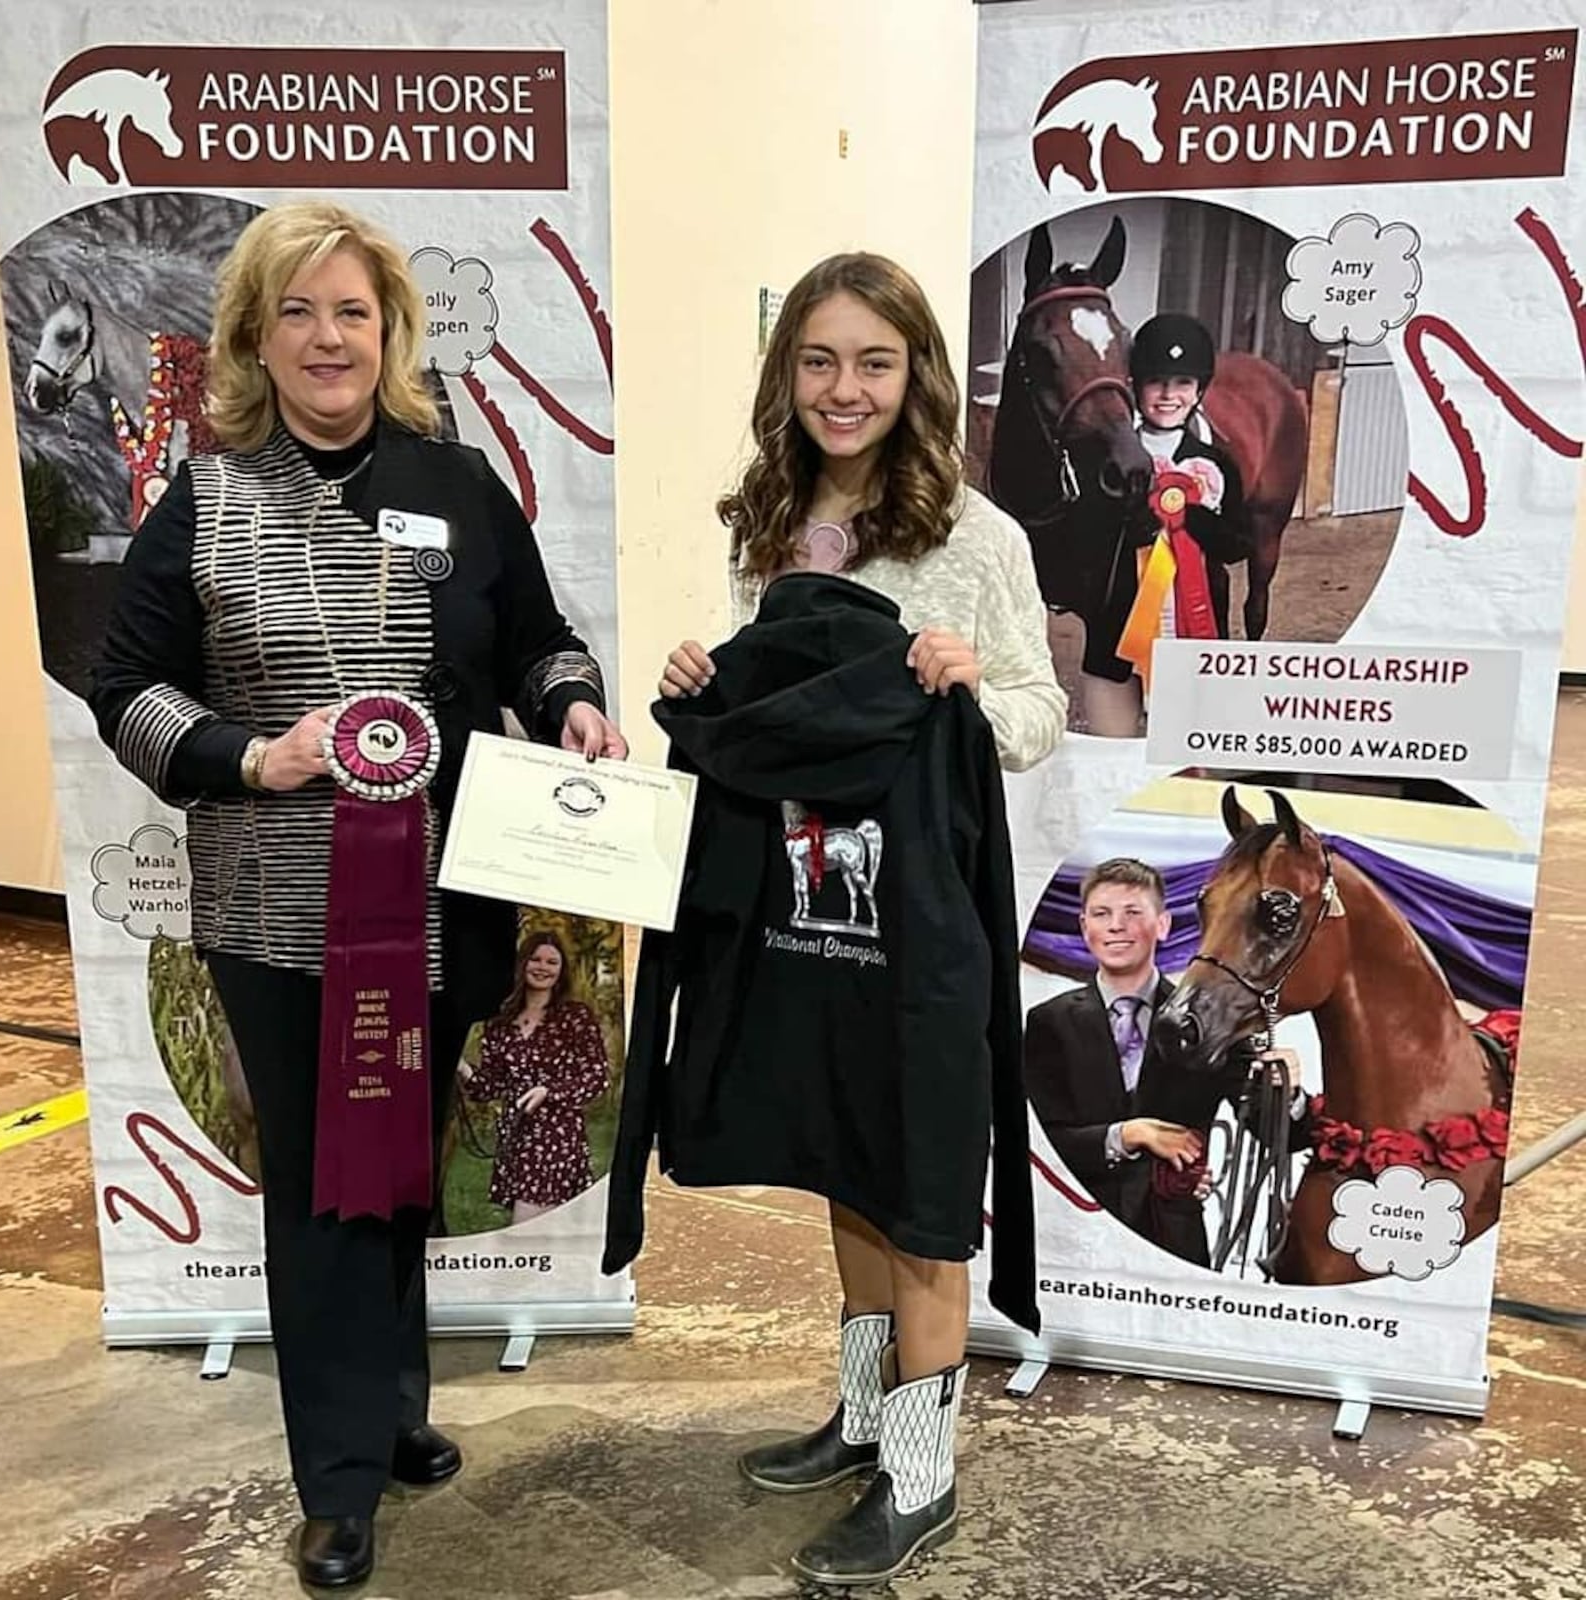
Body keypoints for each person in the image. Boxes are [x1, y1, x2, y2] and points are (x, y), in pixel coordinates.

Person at [87, 200, 626, 1590]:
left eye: (353, 312)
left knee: (394, 1163)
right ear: (256, 339)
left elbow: (543, 640)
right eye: (299, 312)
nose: (328, 338)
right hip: (274, 910)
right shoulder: (203, 504)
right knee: (323, 1187)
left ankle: (391, 1408)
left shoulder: (459, 488)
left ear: (388, 332)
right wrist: (250, 755)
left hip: (450, 898)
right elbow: (125, 691)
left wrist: (573, 707)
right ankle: (335, 1477)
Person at [654, 252, 1067, 1587]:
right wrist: (706, 676)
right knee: (845, 1156)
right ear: (790, 375)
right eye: (819, 361)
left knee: (923, 1184)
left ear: (916, 375)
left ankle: (920, 1479)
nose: (845, 389)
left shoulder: (978, 537)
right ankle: (859, 1415)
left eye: (873, 362)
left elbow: (1037, 717)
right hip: (805, 909)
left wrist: (966, 682)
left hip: (924, 918)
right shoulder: (764, 519)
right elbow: (768, 707)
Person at [1025, 857, 1308, 1266]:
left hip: (1171, 1246)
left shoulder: (1211, 1023)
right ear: (1084, 926)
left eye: (1133, 913)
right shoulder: (1047, 1023)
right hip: (1067, 1237)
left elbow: (1285, 1134)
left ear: (1163, 925)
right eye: (1102, 914)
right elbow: (1036, 1141)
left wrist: (1289, 1090)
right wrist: (1125, 1135)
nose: (1116, 926)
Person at [1081, 312, 1253, 738]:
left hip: (1193, 641)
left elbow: (1236, 546)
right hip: (1116, 638)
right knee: (1110, 758)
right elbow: (1083, 546)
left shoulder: (1218, 463)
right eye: (1156, 382)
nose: (1168, 395)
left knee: (1179, 771)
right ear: (1136, 386)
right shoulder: (1105, 461)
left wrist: (1190, 519)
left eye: (1182, 384)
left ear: (1199, 390)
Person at [460, 931, 610, 1224]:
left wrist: (549, 1092)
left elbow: (596, 1077)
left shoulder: (575, 1017)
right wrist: (460, 1066)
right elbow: (489, 1086)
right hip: (515, 1139)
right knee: (541, 1237)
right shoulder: (499, 1021)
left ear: (562, 969)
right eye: (536, 959)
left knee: (525, 1230)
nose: (543, 967)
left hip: (556, 1137)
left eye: (552, 962)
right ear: (522, 964)